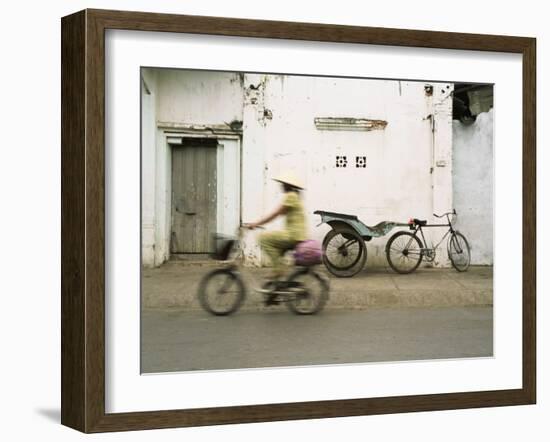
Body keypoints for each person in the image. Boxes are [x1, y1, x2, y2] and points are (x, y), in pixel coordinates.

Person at [245, 172, 307, 281]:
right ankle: (278, 283)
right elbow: (281, 213)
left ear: (288, 186)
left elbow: (275, 214)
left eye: (283, 184)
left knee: (263, 238)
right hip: (298, 235)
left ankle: (278, 269)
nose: (281, 186)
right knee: (276, 248)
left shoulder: (290, 196)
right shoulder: (295, 196)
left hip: (293, 235)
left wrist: (256, 224)